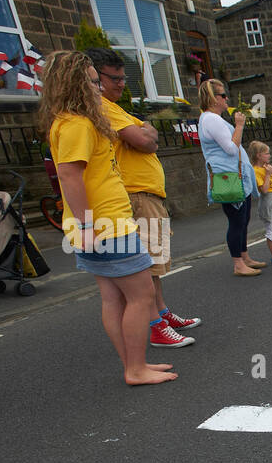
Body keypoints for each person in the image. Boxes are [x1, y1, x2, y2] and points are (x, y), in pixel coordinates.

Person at [40, 51, 175, 385]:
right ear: (74, 84)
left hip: (99, 224)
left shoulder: (70, 122)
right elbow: (69, 176)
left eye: (98, 81)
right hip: (106, 224)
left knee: (114, 297)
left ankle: (133, 366)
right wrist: (87, 226)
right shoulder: (77, 124)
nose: (98, 88)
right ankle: (135, 368)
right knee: (141, 294)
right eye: (92, 81)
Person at [88, 48, 199, 349]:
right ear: (95, 78)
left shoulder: (114, 107)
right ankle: (155, 325)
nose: (121, 84)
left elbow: (148, 136)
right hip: (135, 195)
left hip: (147, 195)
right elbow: (145, 141)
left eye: (124, 78)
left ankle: (161, 314)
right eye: (114, 79)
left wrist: (145, 130)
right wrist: (144, 130)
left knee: (155, 263)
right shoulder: (102, 106)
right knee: (145, 267)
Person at [198, 78, 262, 276]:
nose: (227, 99)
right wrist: (239, 125)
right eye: (223, 95)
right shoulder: (211, 119)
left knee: (244, 218)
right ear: (212, 98)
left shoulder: (214, 119)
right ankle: (238, 264)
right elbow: (230, 149)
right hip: (229, 178)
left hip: (237, 176)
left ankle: (244, 256)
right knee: (236, 220)